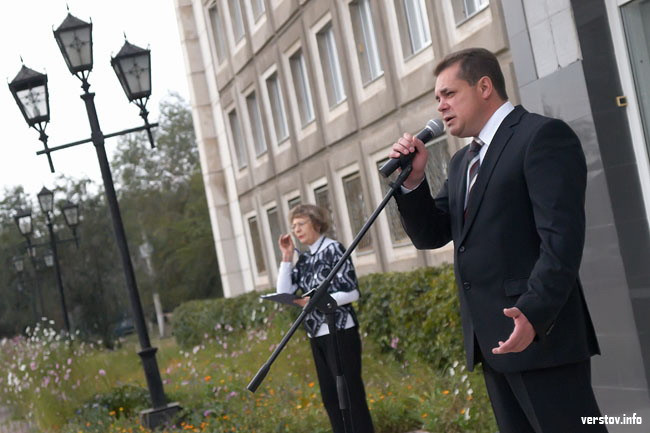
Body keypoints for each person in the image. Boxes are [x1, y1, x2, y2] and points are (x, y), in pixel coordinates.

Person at [389, 48, 605, 432]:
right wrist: (414, 182)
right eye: (437, 98)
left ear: (484, 86)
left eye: (449, 93)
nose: (440, 106)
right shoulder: (463, 162)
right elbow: (431, 234)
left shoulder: (540, 136)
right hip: (493, 344)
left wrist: (533, 313)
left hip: (541, 339)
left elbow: (561, 241)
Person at [276, 204, 374, 433]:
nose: (296, 230)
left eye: (301, 224)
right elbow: (284, 292)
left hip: (340, 331)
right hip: (316, 334)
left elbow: (352, 291)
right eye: (293, 226)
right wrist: (287, 257)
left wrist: (315, 301)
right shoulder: (305, 258)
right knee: (330, 398)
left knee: (350, 395)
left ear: (316, 223)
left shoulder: (333, 249)